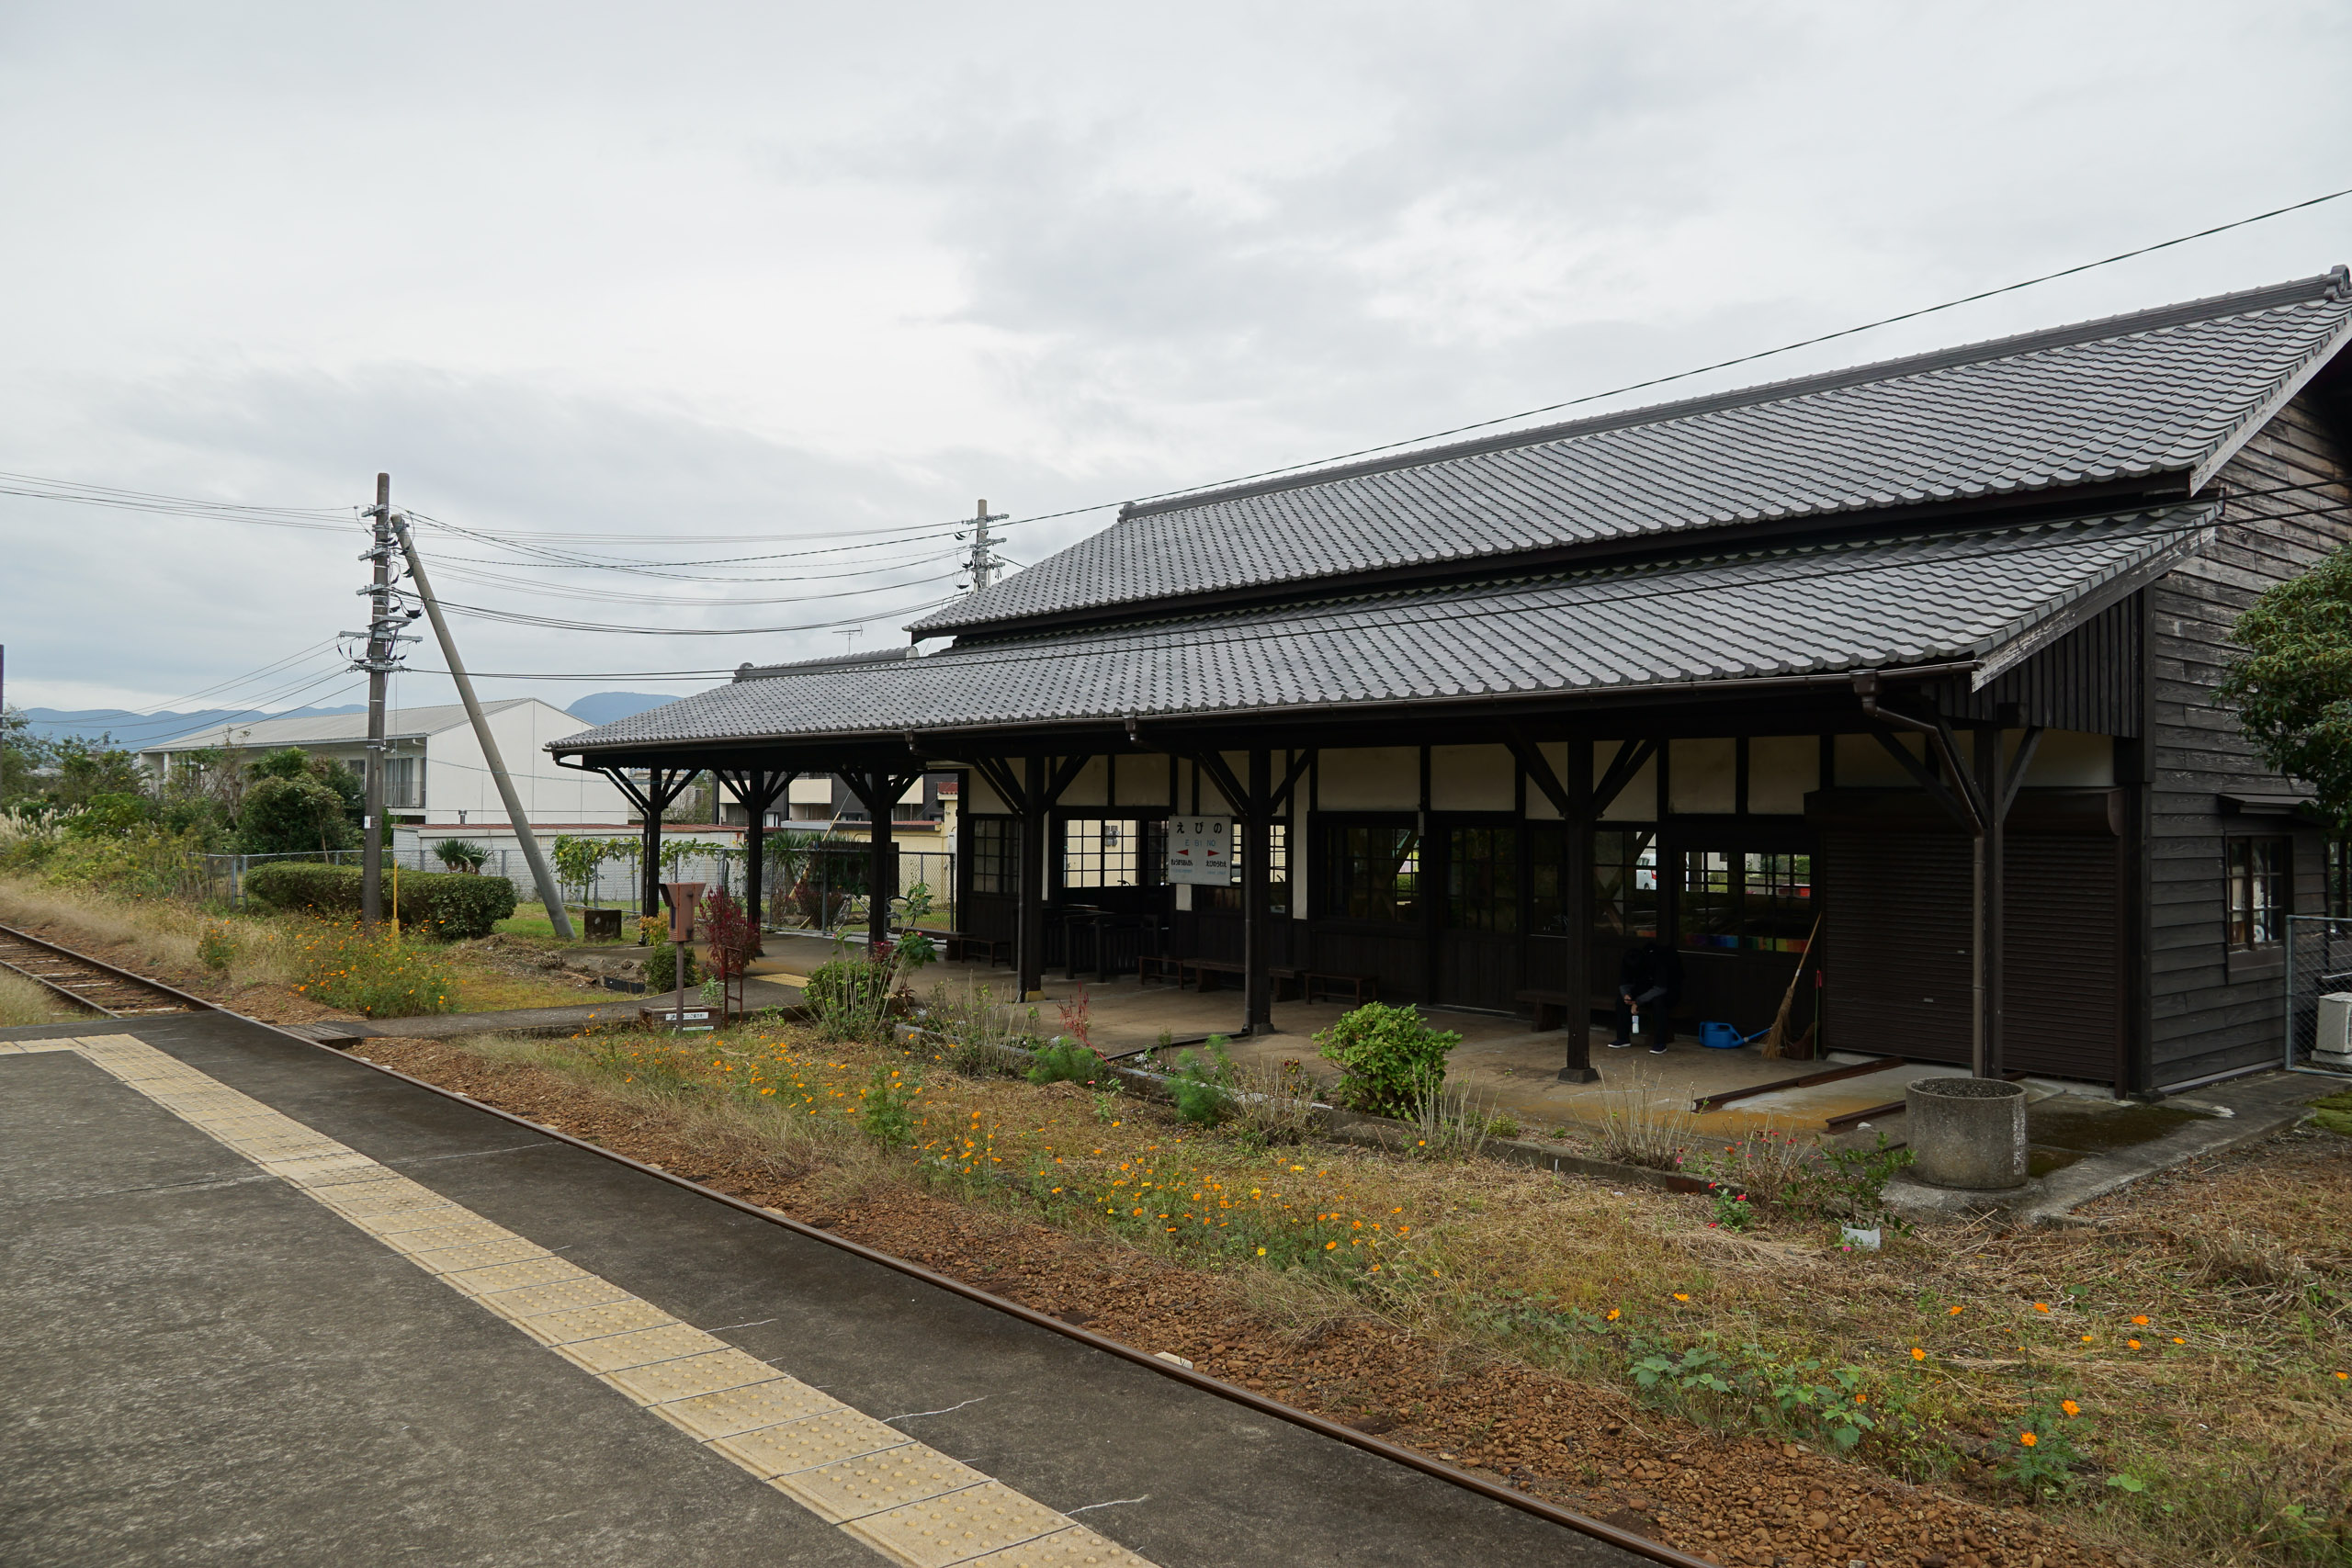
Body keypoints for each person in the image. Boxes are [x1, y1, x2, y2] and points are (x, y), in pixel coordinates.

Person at [1608, 940, 1682, 1054]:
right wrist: (1626, 995)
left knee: (1659, 1003)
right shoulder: (1627, 962)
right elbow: (1624, 983)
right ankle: (1622, 1038)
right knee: (1621, 1001)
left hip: (1664, 992)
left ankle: (1660, 1043)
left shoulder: (1656, 962)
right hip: (1642, 990)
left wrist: (1638, 1002)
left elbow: (1660, 988)